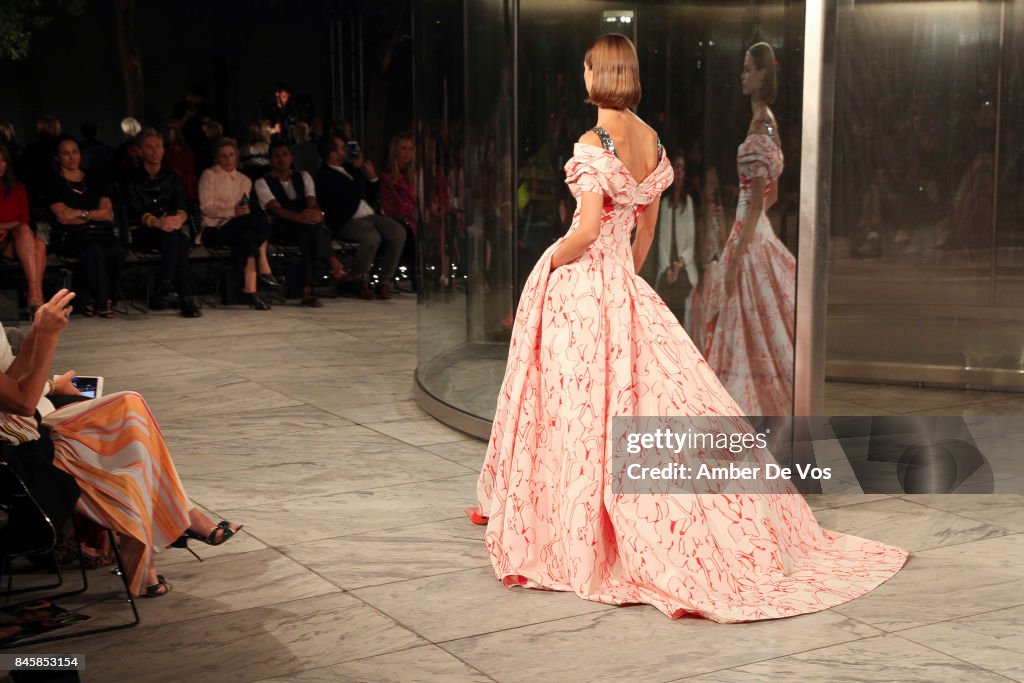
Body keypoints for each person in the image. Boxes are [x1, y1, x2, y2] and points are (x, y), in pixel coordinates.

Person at [466, 33, 908, 624]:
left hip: (583, 286)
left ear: (598, 73)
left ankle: (574, 528)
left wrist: (553, 259)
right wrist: (625, 280)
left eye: (587, 63)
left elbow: (589, 226)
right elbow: (641, 234)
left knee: (576, 407)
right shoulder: (649, 140)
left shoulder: (590, 140)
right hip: (624, 284)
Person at [0, 289, 242, 597]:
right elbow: (20, 402)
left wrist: (37, 330)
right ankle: (176, 522)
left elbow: (11, 381)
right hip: (14, 450)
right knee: (126, 435)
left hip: (24, 426)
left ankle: (152, 538)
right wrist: (46, 336)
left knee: (130, 407)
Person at [700, 42, 797, 417]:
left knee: (745, 321)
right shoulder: (767, 121)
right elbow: (768, 197)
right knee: (752, 322)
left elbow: (758, 201)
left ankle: (744, 409)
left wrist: (738, 252)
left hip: (750, 233)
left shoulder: (761, 124)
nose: (742, 75)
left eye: (747, 69)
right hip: (754, 229)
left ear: (761, 76)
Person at [254, 140, 348, 307]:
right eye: (276, 156)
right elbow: (275, 208)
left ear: (291, 157)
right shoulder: (262, 182)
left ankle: (306, 291)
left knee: (308, 233)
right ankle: (332, 261)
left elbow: (311, 200)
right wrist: (298, 217)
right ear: (270, 159)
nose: (281, 159)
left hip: (305, 222)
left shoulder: (303, 176)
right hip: (281, 224)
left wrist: (315, 213)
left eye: (284, 155)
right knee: (310, 229)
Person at [316, 132, 406, 299]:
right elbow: (350, 195)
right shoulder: (324, 176)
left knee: (398, 232)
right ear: (332, 154)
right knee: (371, 238)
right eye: (342, 148)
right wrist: (358, 172)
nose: (346, 151)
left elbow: (371, 194)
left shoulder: (350, 169)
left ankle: (384, 280)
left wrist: (372, 178)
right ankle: (358, 279)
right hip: (348, 220)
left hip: (370, 214)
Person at [46, 136, 125, 318]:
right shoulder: (54, 183)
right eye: (66, 153)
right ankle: (103, 301)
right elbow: (63, 216)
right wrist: (92, 214)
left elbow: (107, 212)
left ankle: (98, 299)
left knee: (117, 250)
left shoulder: (94, 179)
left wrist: (80, 214)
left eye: (75, 152)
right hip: (71, 235)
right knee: (94, 250)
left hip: (100, 232)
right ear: (58, 157)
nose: (71, 157)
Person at [126, 129, 201, 317]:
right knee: (179, 240)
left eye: (158, 146)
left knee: (176, 237)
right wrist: (156, 222)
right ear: (140, 151)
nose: (155, 151)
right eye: (149, 147)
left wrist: (178, 219)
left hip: (169, 231)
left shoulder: (172, 177)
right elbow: (135, 210)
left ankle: (166, 284)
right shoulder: (133, 179)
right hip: (144, 232)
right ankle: (185, 299)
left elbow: (183, 207)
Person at [198, 138, 275, 310]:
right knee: (256, 220)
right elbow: (206, 208)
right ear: (217, 158)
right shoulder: (209, 175)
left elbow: (244, 208)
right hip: (214, 228)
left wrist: (239, 213)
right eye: (223, 156)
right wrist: (232, 212)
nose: (228, 159)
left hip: (239, 228)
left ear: (237, 156)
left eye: (231, 155)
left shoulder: (245, 180)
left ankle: (251, 292)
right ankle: (263, 263)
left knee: (248, 237)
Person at [0, 145, 47, 317]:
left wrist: (11, 226)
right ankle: (35, 298)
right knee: (37, 244)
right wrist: (11, 225)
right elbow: (18, 223)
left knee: (38, 244)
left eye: (3, 160)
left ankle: (34, 295)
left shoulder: (17, 188)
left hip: (13, 241)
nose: (0, 164)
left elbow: (24, 220)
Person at [654, 152, 698, 326]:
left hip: (683, 267)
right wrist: (668, 268)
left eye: (682, 169)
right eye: (676, 167)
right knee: (664, 298)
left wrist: (678, 266)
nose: (679, 173)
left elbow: (690, 244)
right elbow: (661, 241)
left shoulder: (688, 203)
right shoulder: (664, 204)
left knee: (680, 295)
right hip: (667, 268)